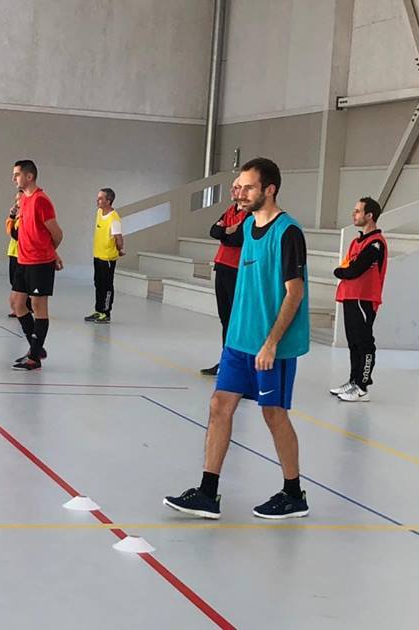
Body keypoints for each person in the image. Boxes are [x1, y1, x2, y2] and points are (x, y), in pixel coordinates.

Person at [164, 157, 311, 519]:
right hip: (238, 341)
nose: (240, 194)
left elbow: (294, 293)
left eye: (248, 187)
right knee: (219, 406)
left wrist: (271, 343)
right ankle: (207, 492)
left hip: (270, 346)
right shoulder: (246, 225)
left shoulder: (288, 232)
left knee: (273, 414)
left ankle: (294, 495)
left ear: (269, 190)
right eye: (238, 187)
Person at [330, 197, 387, 402]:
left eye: (358, 211)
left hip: (364, 297)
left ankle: (363, 387)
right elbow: (346, 267)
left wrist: (341, 271)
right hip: (350, 296)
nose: (353, 214)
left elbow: (353, 270)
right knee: (353, 341)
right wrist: (343, 271)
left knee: (364, 342)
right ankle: (353, 381)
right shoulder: (356, 242)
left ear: (369, 215)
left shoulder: (376, 243)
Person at [10, 160, 63, 371]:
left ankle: (34, 357)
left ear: (29, 176)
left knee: (39, 306)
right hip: (22, 260)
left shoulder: (41, 200)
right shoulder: (23, 199)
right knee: (17, 304)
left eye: (17, 175)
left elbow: (57, 234)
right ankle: (37, 347)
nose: (13, 178)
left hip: (40, 263)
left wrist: (50, 253)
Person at [200, 177, 247, 375]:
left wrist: (224, 233)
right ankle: (226, 361)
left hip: (236, 270)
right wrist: (227, 230)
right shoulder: (230, 211)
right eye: (233, 187)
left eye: (237, 188)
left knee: (235, 320)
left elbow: (236, 240)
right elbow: (213, 231)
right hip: (222, 266)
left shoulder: (249, 215)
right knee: (225, 318)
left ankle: (235, 363)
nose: (232, 191)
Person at [84, 188, 124, 323]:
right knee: (98, 284)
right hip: (98, 255)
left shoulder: (114, 219)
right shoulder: (99, 212)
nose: (97, 200)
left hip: (107, 258)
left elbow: (119, 239)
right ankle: (99, 311)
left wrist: (119, 249)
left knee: (106, 286)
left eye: (101, 198)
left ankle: (106, 313)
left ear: (108, 201)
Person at [6, 192, 32, 318]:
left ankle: (22, 306)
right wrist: (12, 216)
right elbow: (10, 231)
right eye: (16, 200)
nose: (17, 202)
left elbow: (15, 234)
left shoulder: (26, 217)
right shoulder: (17, 217)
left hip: (22, 254)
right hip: (13, 252)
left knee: (19, 283)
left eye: (19, 199)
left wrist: (11, 218)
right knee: (13, 280)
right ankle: (24, 305)